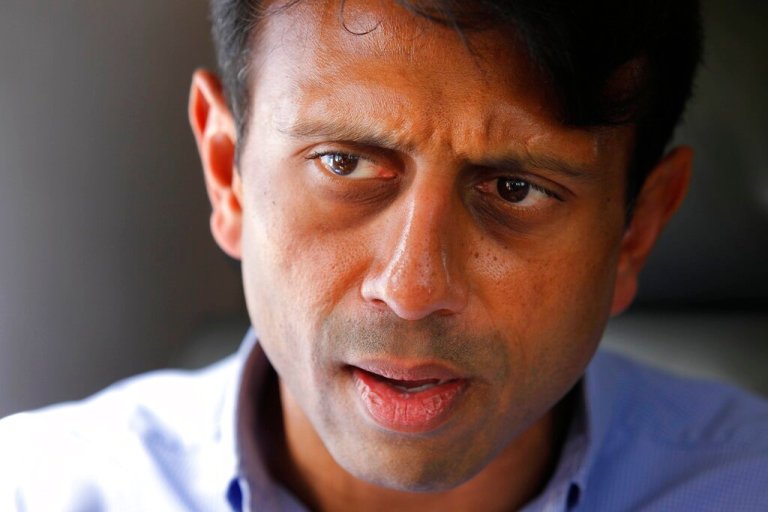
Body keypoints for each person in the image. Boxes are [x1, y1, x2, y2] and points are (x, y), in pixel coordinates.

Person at [2, 0, 767, 510]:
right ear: (225, 174)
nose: (411, 289)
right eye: (343, 164)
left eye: (515, 187)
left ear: (637, 228)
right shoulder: (38, 488)